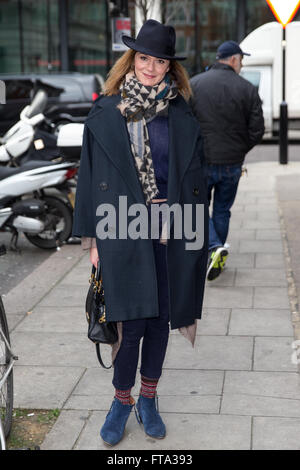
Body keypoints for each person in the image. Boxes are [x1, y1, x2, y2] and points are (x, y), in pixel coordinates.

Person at [72, 19, 208, 446]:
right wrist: (93, 242)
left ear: (170, 67)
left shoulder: (182, 111)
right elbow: (90, 177)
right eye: (144, 58)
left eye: (160, 60)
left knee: (161, 320)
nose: (151, 67)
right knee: (130, 322)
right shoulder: (107, 110)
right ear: (132, 59)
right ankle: (122, 400)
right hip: (122, 226)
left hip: (171, 227)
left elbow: (195, 174)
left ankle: (148, 398)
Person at [190, 40, 264, 281]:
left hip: (202, 160)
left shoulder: (195, 84)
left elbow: (184, 125)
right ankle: (216, 250)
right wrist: (240, 149)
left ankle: (213, 250)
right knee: (222, 210)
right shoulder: (247, 88)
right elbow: (257, 130)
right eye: (241, 60)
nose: (241, 65)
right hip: (232, 163)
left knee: (198, 208)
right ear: (233, 59)